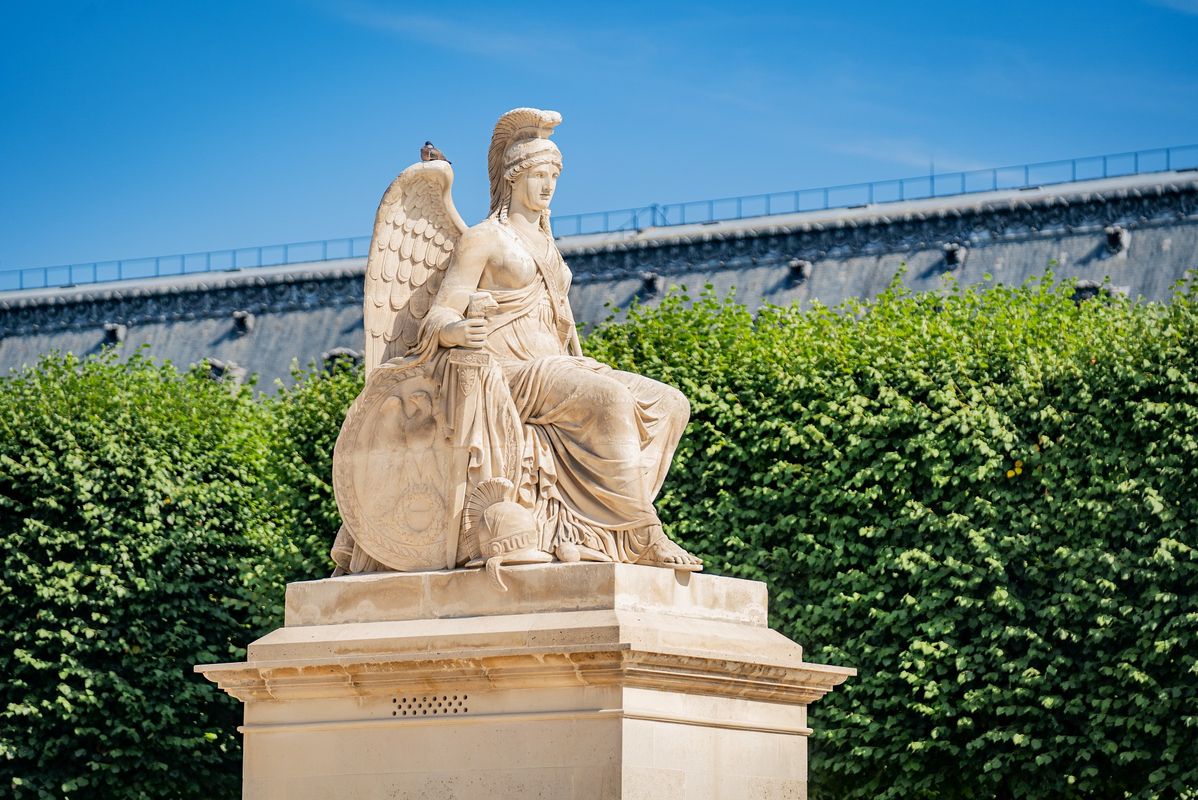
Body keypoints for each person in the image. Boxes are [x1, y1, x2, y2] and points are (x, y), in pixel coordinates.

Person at [414, 121, 702, 570]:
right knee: (608, 399)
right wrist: (456, 332)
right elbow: (439, 313)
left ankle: (601, 530)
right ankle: (643, 535)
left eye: (554, 175)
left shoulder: (548, 243)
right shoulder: (484, 238)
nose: (548, 185)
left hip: (557, 363)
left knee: (670, 403)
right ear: (513, 176)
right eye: (538, 174)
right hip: (509, 370)